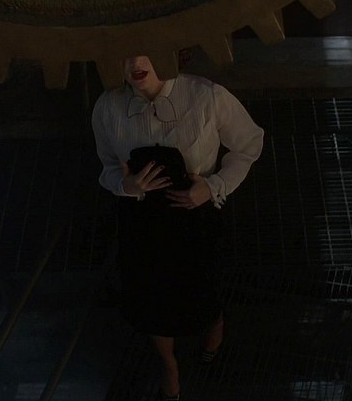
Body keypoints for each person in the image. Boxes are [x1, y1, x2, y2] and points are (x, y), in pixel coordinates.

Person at [91, 55, 264, 400]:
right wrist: (126, 186)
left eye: (144, 50)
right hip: (143, 225)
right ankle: (168, 363)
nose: (135, 62)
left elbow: (248, 144)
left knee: (205, 285)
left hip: (195, 221)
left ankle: (214, 325)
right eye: (124, 53)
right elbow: (107, 164)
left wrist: (213, 186)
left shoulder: (206, 96)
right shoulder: (108, 106)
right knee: (151, 299)